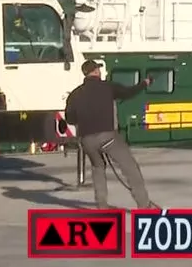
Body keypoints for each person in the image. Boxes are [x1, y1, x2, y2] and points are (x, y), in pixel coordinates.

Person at [64, 60, 158, 209]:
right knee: (130, 169)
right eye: (98, 69)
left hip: (87, 141)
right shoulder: (107, 86)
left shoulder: (75, 94)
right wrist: (144, 83)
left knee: (98, 167)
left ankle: (101, 205)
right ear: (96, 71)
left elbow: (70, 119)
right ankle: (144, 205)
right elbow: (129, 92)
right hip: (107, 137)